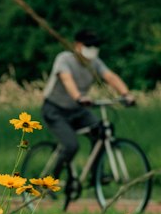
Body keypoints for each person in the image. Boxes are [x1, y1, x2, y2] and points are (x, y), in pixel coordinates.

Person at [40, 28, 135, 183]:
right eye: (88, 46)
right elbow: (66, 79)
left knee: (101, 133)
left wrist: (126, 94)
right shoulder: (64, 59)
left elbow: (110, 76)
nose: (92, 50)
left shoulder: (94, 63)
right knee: (71, 145)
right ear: (77, 45)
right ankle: (50, 181)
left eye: (95, 47)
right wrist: (79, 97)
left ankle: (96, 174)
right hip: (56, 110)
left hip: (78, 110)